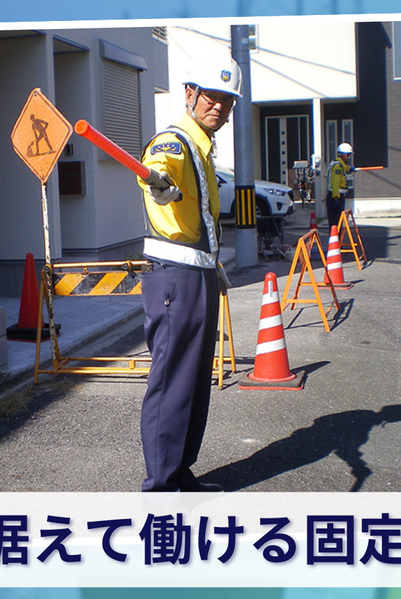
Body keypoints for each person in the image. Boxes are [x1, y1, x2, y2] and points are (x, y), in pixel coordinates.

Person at [136, 54, 241, 492]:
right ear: (190, 94)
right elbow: (157, 171)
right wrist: (159, 184)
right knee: (172, 381)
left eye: (227, 100)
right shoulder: (175, 142)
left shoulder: (203, 148)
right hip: (175, 279)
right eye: (211, 96)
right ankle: (161, 488)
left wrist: (213, 266)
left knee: (194, 382)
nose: (218, 106)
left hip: (198, 275)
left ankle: (180, 472)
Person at [325, 142, 354, 228]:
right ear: (344, 155)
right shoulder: (337, 166)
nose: (348, 158)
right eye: (348, 155)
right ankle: (335, 237)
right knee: (335, 223)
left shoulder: (338, 164)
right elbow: (335, 183)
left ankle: (337, 237)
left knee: (338, 223)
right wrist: (336, 198)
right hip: (335, 198)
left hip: (337, 197)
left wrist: (350, 168)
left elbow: (345, 167)